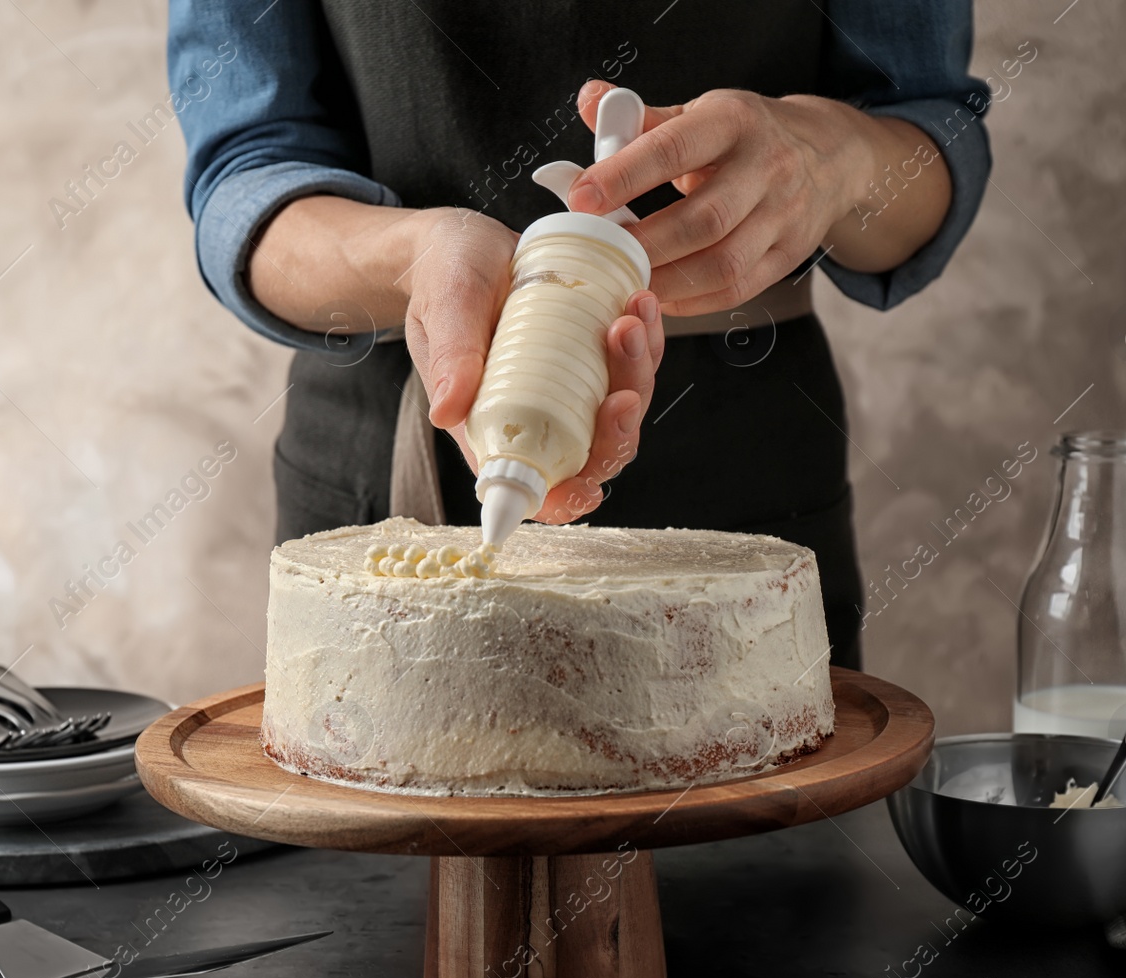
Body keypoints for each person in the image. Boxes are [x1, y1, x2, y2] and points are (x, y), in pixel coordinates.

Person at [169, 1, 992, 669]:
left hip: (748, 474)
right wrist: (415, 259)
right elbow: (247, 169)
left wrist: (836, 157)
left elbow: (924, 125)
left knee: (759, 859)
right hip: (382, 471)